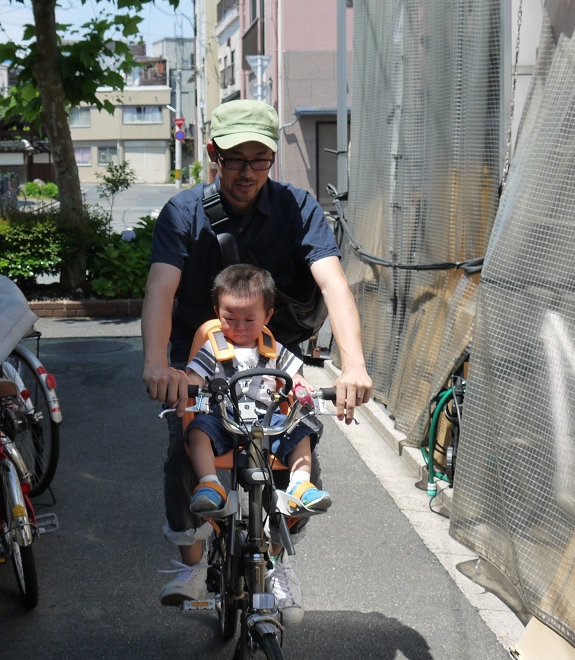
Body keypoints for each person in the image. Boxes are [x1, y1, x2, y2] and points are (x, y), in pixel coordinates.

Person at [143, 99, 372, 625]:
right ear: (212, 155)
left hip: (275, 353)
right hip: (198, 354)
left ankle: (274, 562)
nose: (247, 172)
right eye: (234, 159)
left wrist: (353, 364)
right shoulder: (183, 212)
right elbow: (161, 287)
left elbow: (333, 280)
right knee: (185, 444)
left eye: (260, 159)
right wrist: (158, 364)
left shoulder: (298, 207)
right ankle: (191, 564)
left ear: (273, 157)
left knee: (297, 442)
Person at [186, 264, 331, 518]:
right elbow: (194, 378)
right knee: (198, 430)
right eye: (230, 318)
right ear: (217, 313)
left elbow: (293, 376)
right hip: (223, 416)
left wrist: (299, 385)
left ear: (267, 316)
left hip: (267, 416)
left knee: (303, 429)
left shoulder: (273, 348)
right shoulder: (212, 348)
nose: (239, 326)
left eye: (249, 320)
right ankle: (209, 484)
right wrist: (187, 387)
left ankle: (300, 484)